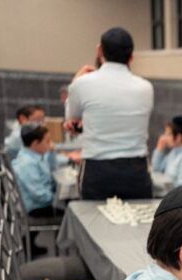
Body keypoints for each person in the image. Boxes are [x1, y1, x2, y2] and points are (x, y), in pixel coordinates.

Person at [65, 26, 153, 200]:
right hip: (136, 170)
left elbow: (72, 118)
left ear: (99, 51)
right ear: (131, 56)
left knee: (91, 216)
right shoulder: (146, 87)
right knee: (139, 216)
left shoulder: (82, 84)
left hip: (97, 169)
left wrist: (75, 81)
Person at [10, 124, 58, 215]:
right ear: (35, 143)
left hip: (42, 201)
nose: (51, 144)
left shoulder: (35, 155)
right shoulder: (27, 163)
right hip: (36, 207)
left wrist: (52, 152)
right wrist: (58, 200)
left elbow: (53, 169)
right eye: (47, 141)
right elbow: (39, 195)